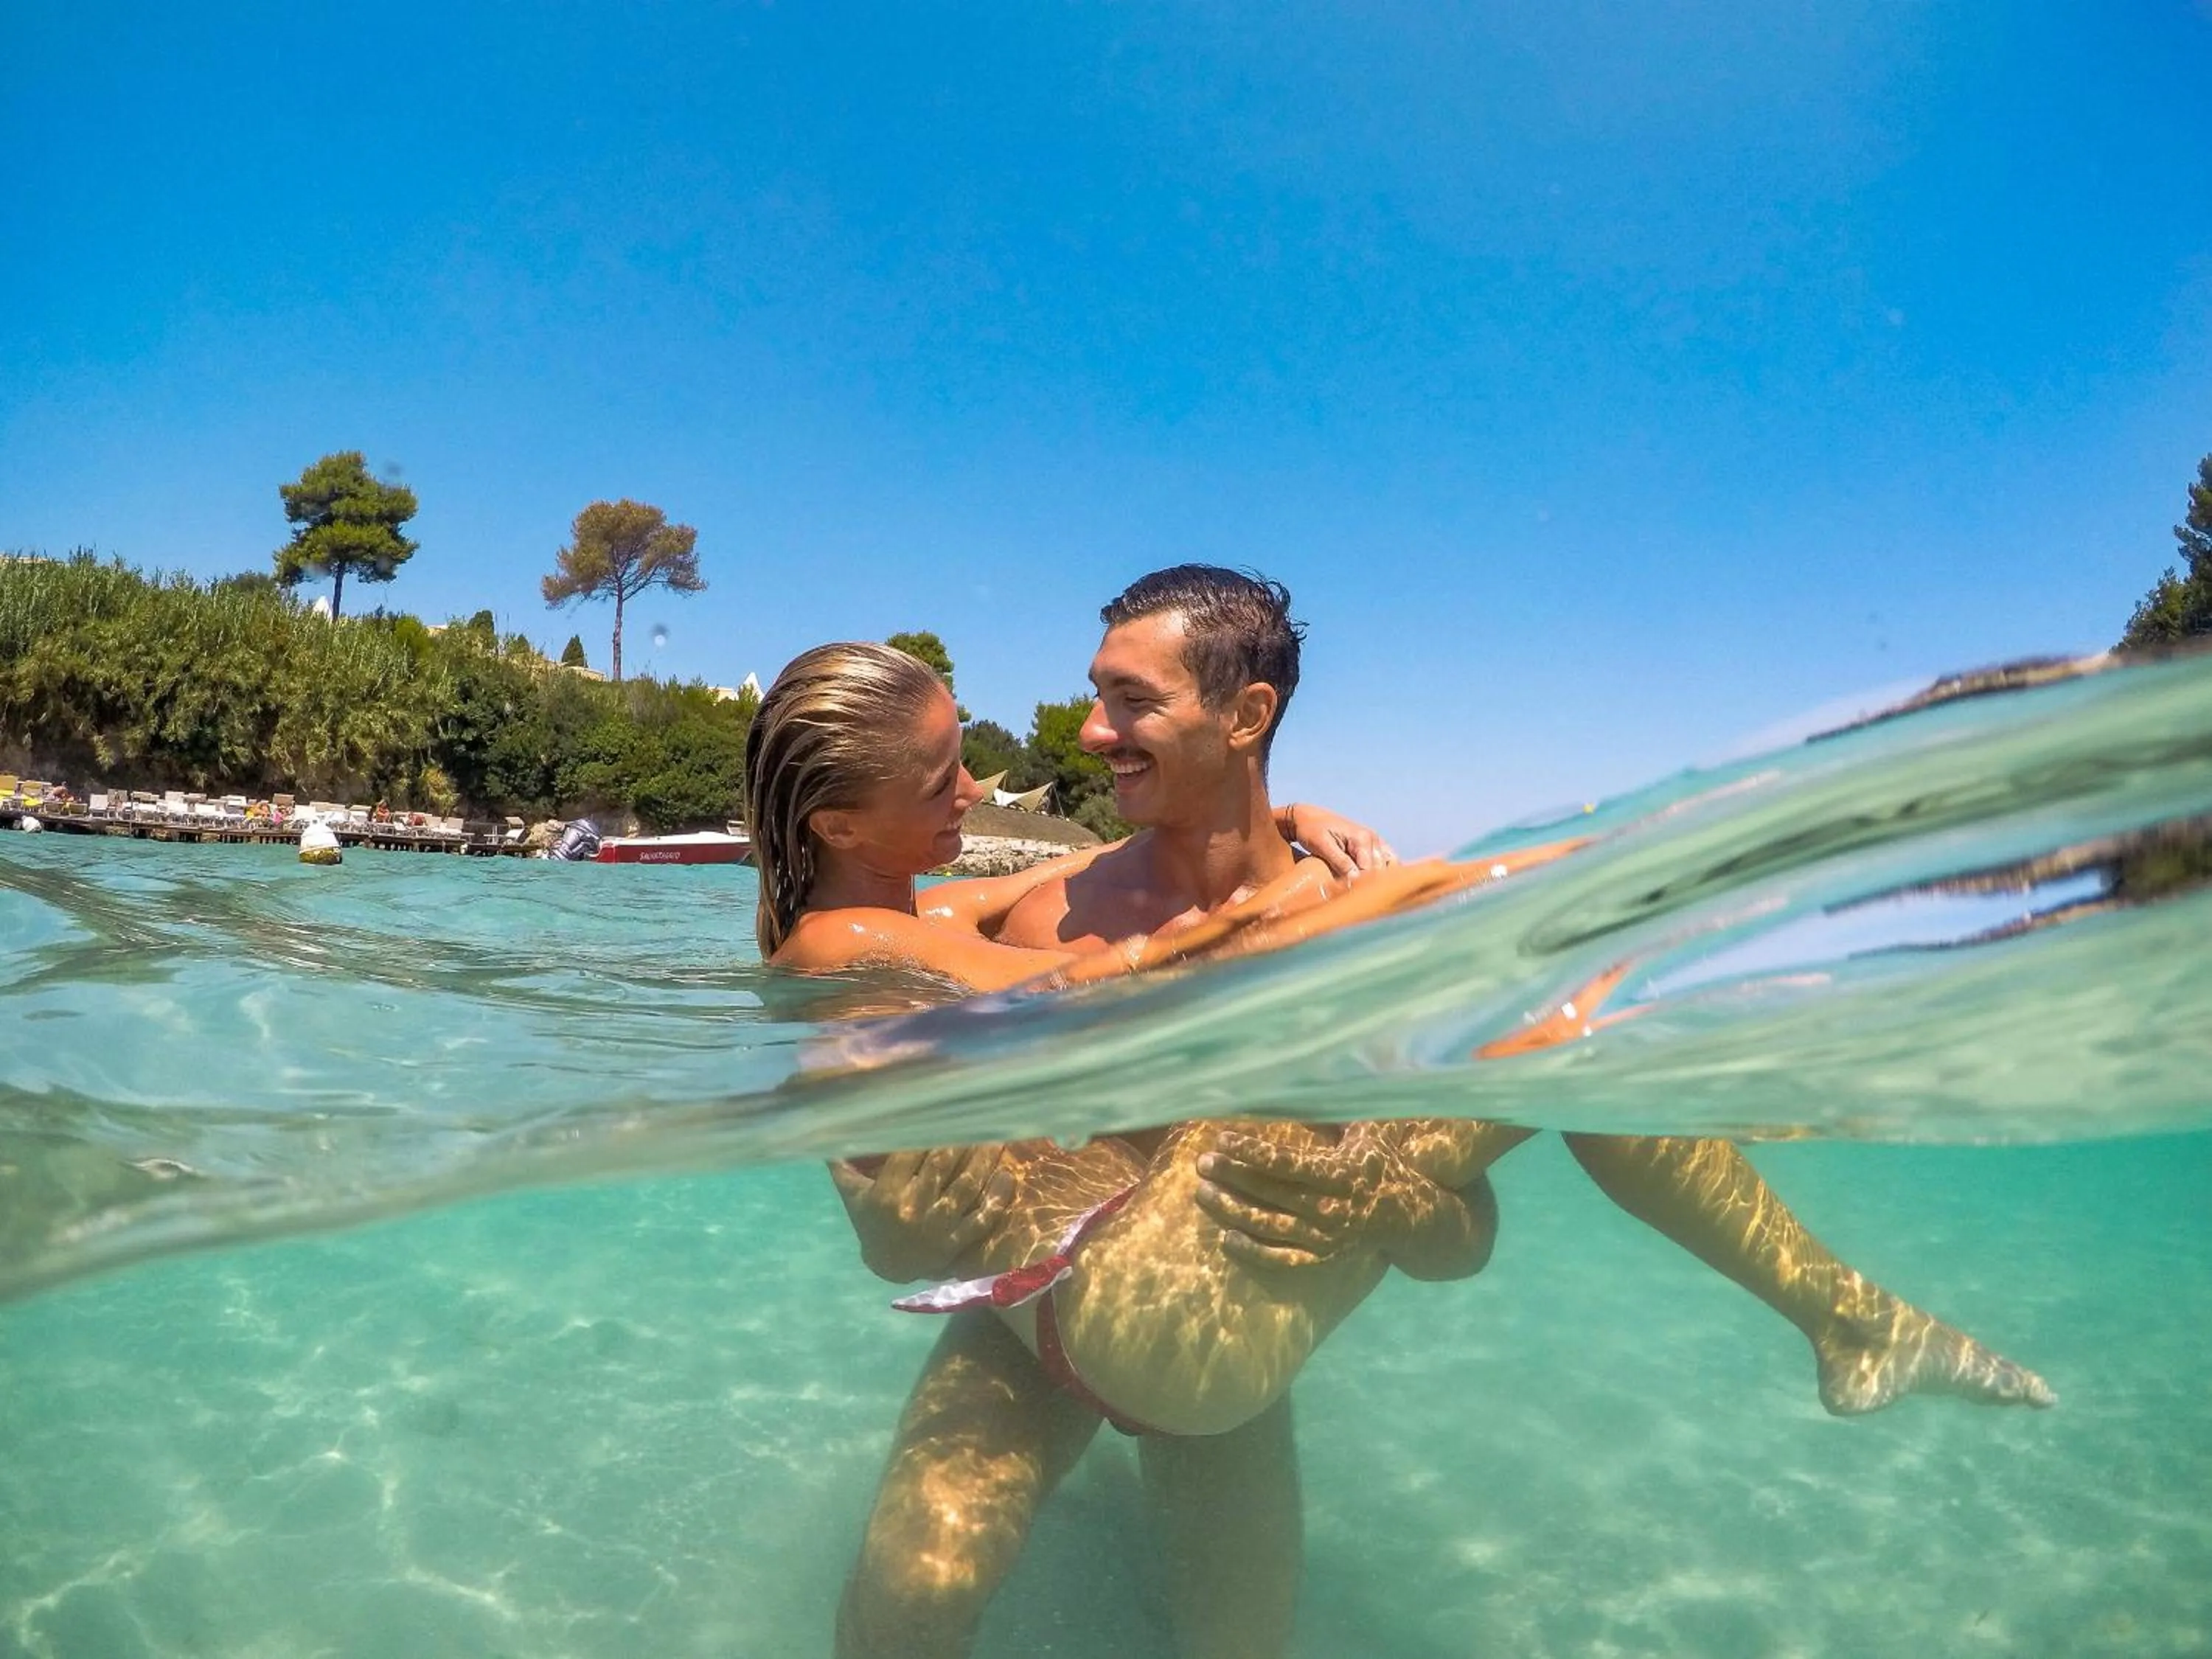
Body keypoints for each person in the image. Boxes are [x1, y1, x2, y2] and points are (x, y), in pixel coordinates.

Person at [752, 571, 2053, 1659]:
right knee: (905, 1602)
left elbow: (1457, 1240)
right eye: (1095, 696)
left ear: (1246, 715)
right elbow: (1010, 996)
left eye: (1128, 700)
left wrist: (1382, 1193)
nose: (1085, 734)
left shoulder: (1301, 908)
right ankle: (1847, 1297)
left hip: (1209, 1340)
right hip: (1033, 1328)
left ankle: (1851, 1310)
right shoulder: (1041, 909)